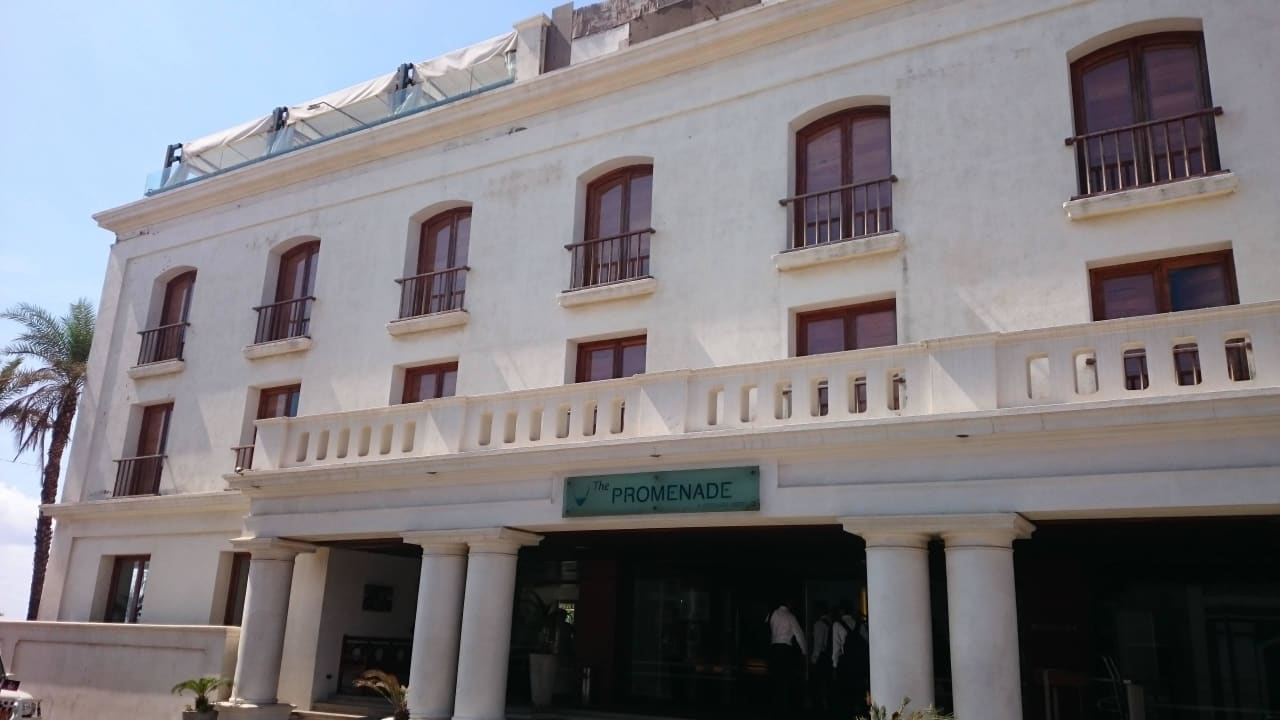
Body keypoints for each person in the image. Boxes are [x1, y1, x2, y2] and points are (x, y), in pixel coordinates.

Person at [766, 599, 807, 718]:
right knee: (785, 680)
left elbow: (766, 623)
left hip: (774, 648)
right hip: (785, 650)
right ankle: (784, 709)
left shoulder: (773, 613)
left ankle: (775, 707)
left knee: (775, 679)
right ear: (789, 604)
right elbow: (799, 635)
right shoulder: (790, 616)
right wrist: (804, 652)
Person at [831, 603, 870, 718]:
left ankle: (848, 714)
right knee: (859, 691)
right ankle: (860, 714)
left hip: (845, 664)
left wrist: (834, 665)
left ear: (841, 612)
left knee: (846, 692)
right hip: (859, 663)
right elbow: (867, 642)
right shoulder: (860, 625)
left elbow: (836, 648)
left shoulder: (837, 625)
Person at [809, 602, 833, 713]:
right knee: (827, 682)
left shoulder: (819, 624)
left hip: (821, 657)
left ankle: (820, 706)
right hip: (829, 656)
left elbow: (818, 643)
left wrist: (813, 659)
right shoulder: (831, 623)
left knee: (818, 682)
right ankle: (827, 703)